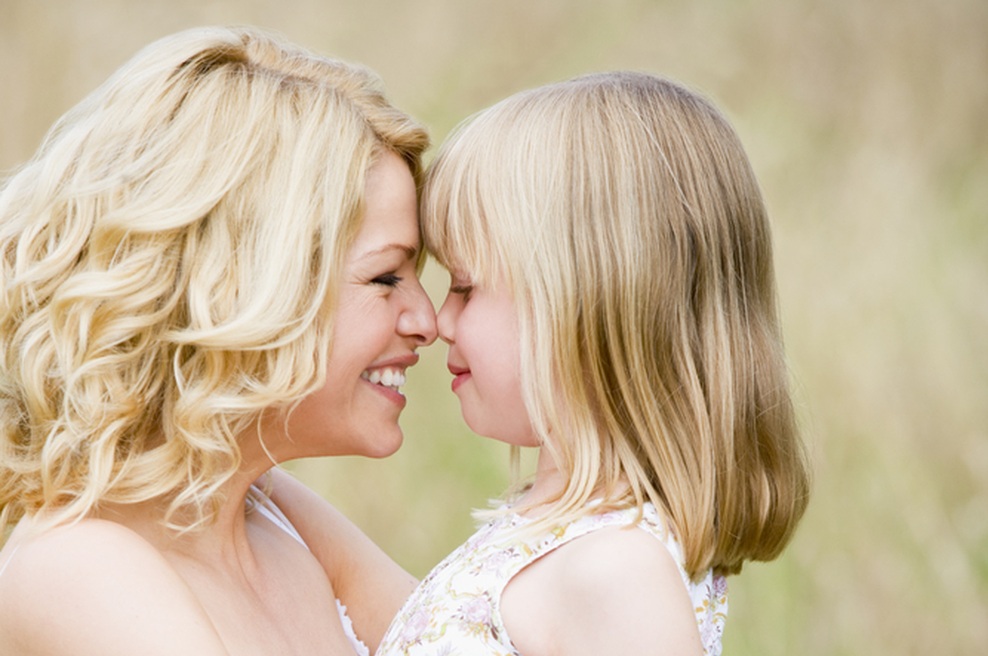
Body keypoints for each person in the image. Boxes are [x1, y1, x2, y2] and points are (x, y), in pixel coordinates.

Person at [0, 26, 437, 655]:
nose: (426, 319)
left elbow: (466, 640)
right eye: (386, 276)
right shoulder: (79, 565)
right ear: (244, 288)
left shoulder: (266, 509)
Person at [375, 71, 811, 656]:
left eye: (465, 286)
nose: (440, 321)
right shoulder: (563, 534)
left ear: (586, 304)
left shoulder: (615, 571)